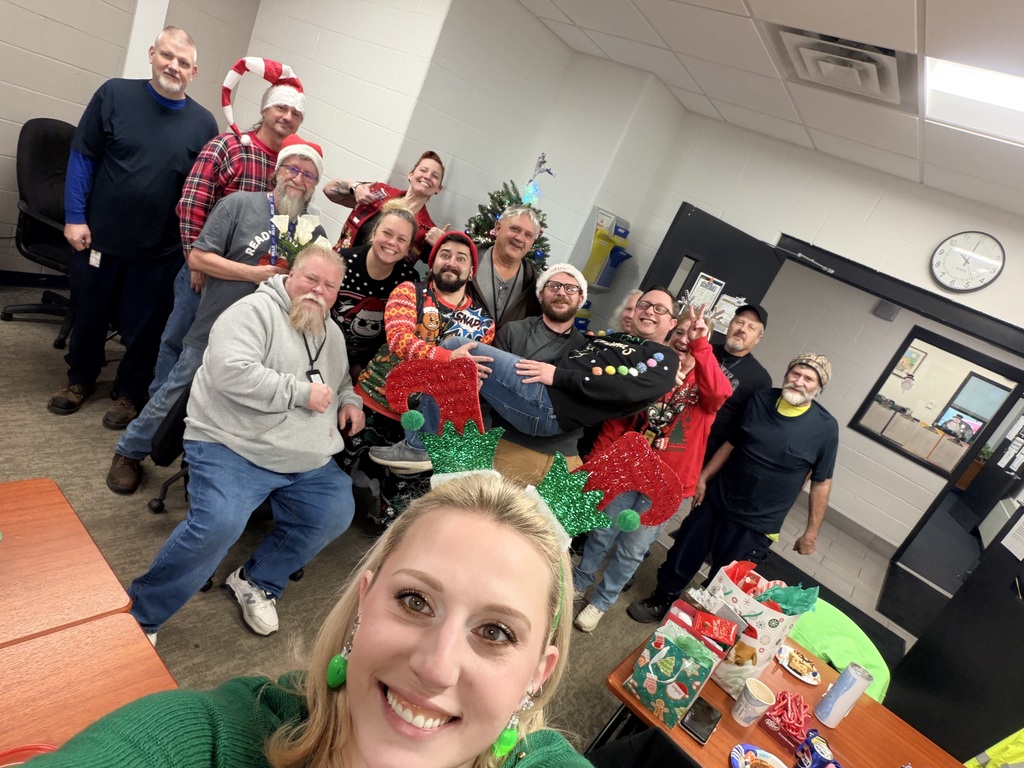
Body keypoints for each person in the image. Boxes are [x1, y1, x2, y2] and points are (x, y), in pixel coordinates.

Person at [29, 476, 591, 768]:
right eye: (415, 601)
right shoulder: (214, 740)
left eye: (495, 632)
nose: (436, 666)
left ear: (538, 674)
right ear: (364, 602)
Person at [128, 246, 363, 640]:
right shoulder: (251, 313)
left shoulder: (332, 333)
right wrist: (300, 393)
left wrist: (350, 401)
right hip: (232, 445)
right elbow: (229, 372)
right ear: (290, 276)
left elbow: (339, 382)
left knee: (335, 511)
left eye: (329, 286)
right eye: (310, 279)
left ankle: (257, 581)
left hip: (301, 455)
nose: (317, 291)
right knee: (218, 524)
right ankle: (141, 616)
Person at [105, 137, 327, 494]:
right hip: (216, 326)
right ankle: (128, 451)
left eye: (309, 175)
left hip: (267, 342)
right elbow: (198, 258)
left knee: (233, 408)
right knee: (178, 389)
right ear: (277, 171)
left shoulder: (312, 231)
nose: (299, 179)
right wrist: (254, 274)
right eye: (293, 169)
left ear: (315, 186)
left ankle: (204, 471)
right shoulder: (238, 205)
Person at [49, 26, 218, 427]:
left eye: (183, 62)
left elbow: (202, 195)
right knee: (89, 311)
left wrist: (194, 250)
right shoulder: (114, 94)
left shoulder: (203, 124)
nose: (173, 66)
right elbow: (83, 157)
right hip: (100, 238)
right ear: (151, 54)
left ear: (194, 72)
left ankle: (128, 394)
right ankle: (80, 379)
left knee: (146, 328)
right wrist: (74, 217)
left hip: (159, 251)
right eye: (166, 55)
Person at [628, 353, 840, 623]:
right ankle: (662, 599)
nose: (799, 381)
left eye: (808, 378)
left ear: (819, 388)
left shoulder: (825, 428)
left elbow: (822, 481)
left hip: (758, 522)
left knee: (729, 581)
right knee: (683, 552)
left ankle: (701, 621)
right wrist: (703, 477)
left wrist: (811, 532)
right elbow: (732, 443)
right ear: (786, 375)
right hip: (719, 498)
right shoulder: (761, 399)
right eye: (795, 374)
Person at [573, 304, 732, 632]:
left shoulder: (706, 381)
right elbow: (621, 420)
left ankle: (602, 601)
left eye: (694, 335)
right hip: (628, 470)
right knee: (601, 532)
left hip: (665, 485)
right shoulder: (652, 367)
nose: (685, 340)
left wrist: (701, 346)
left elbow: (719, 395)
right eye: (680, 332)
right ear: (670, 334)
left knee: (633, 549)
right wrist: (602, 463)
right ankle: (580, 580)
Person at [152, 57, 306, 397]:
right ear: (265, 110)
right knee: (179, 341)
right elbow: (191, 206)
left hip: (252, 283)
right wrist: (196, 261)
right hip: (207, 270)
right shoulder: (229, 147)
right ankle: (155, 408)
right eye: (281, 108)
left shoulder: (291, 167)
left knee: (226, 353)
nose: (287, 117)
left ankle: (190, 419)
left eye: (296, 113)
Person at [360, 232, 496, 473]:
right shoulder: (409, 291)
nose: (452, 262)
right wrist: (449, 359)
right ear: (432, 263)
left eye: (461, 258)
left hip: (424, 431)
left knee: (396, 505)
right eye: (445, 255)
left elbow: (470, 382)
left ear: (471, 271)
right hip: (372, 406)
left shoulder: (484, 324)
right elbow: (399, 340)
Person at [491, 264, 588, 486]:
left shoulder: (589, 350)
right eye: (553, 286)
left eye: (570, 288)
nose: (561, 292)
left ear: (581, 298)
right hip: (510, 448)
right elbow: (491, 394)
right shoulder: (514, 333)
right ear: (541, 293)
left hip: (563, 461)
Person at [331, 201, 420, 375]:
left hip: (371, 365)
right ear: (373, 233)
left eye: (401, 239)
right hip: (326, 349)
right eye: (387, 233)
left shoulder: (408, 280)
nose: (392, 242)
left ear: (408, 248)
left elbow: (397, 335)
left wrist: (363, 367)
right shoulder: (341, 262)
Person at [323, 150, 446, 262]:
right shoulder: (379, 192)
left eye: (435, 176)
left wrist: (441, 245)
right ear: (410, 174)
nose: (428, 177)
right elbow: (328, 190)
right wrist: (355, 188)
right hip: (336, 264)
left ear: (438, 189)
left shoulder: (428, 231)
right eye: (423, 170)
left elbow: (441, 272)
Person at [704, 303, 771, 462]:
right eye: (739, 322)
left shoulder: (760, 379)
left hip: (706, 454)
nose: (742, 329)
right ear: (730, 324)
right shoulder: (705, 350)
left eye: (751, 327)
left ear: (758, 339)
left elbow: (740, 433)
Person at [468, 205, 544, 329]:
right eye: (515, 229)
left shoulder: (535, 286)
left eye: (528, 235)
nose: (519, 238)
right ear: (498, 227)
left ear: (532, 244)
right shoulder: (466, 261)